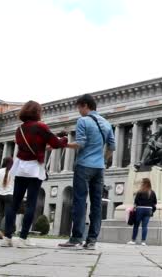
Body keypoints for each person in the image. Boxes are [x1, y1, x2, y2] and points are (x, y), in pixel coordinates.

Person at [2, 101, 69, 248]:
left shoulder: (19, 129)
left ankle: (7, 236)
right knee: (31, 203)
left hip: (20, 167)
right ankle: (23, 238)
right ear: (37, 112)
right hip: (34, 168)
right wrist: (64, 139)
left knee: (15, 202)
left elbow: (28, 143)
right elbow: (56, 143)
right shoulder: (41, 126)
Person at [59, 94, 115, 250]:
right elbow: (112, 146)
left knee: (79, 202)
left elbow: (81, 143)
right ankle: (91, 241)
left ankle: (76, 238)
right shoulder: (106, 123)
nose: (78, 111)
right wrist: (103, 160)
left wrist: (64, 145)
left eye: (79, 107)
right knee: (97, 204)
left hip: (84, 166)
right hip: (99, 168)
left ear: (85, 105)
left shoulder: (83, 121)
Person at [127, 178, 157, 246]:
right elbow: (155, 203)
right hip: (148, 210)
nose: (141, 183)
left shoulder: (140, 191)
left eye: (142, 182)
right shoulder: (152, 192)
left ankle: (133, 240)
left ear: (144, 183)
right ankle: (143, 241)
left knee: (136, 225)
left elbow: (136, 202)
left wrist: (134, 209)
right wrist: (152, 210)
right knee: (145, 226)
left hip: (140, 209)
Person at [0, 157, 14, 239]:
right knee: (7, 214)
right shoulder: (13, 172)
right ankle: (2, 231)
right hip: (9, 195)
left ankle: (1, 232)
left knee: (1, 214)